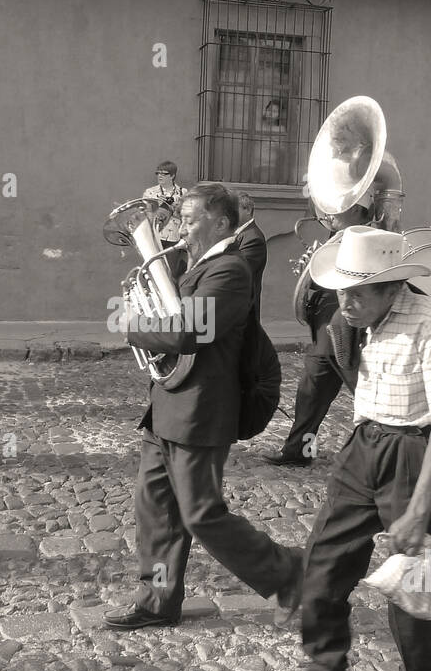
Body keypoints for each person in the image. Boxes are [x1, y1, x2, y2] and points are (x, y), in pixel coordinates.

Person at [262, 227, 431, 671]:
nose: (345, 302)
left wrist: (418, 510)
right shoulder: (353, 322)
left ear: (393, 287)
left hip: (414, 451)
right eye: (342, 290)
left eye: (358, 293)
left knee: (412, 585)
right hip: (363, 447)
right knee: (323, 563)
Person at [104, 182, 302, 631]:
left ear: (221, 223)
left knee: (201, 514)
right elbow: (170, 314)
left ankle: (289, 572)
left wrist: (133, 325)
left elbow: (187, 331)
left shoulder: (230, 270)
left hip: (200, 410)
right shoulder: (194, 263)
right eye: (181, 220)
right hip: (167, 405)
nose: (181, 229)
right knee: (155, 510)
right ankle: (157, 602)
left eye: (190, 221)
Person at [265, 200, 374, 468]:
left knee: (370, 396)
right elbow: (327, 280)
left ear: (357, 209)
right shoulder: (335, 237)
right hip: (325, 328)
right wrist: (312, 269)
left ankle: (396, 451)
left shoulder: (368, 237)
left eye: (338, 207)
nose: (329, 213)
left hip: (349, 331)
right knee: (309, 395)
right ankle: (298, 451)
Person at [143, 161, 189, 278]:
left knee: (170, 272)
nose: (160, 176)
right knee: (153, 270)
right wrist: (157, 205)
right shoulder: (150, 192)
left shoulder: (183, 192)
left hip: (173, 238)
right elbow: (145, 216)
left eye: (164, 174)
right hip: (154, 236)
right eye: (158, 173)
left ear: (172, 176)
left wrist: (174, 207)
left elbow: (187, 216)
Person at [233, 192, 267, 321]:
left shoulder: (253, 238)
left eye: (233, 209)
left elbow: (238, 272)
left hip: (242, 310)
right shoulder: (237, 233)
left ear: (247, 209)